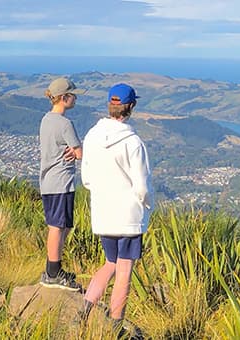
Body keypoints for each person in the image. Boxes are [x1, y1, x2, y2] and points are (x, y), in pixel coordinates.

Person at [80, 83, 153, 326]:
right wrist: (146, 205)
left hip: (103, 214)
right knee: (124, 270)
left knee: (110, 263)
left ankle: (84, 310)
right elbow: (142, 186)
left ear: (110, 106)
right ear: (131, 106)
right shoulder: (133, 143)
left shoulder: (91, 136)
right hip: (129, 217)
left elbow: (86, 179)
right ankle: (116, 324)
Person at [38, 77, 85, 291]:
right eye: (72, 95)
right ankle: (53, 273)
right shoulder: (65, 124)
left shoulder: (46, 120)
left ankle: (52, 268)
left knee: (61, 226)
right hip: (61, 182)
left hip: (48, 181)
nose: (75, 98)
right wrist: (76, 151)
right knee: (58, 227)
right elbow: (79, 153)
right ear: (64, 98)